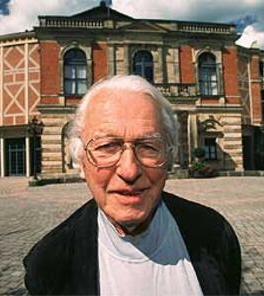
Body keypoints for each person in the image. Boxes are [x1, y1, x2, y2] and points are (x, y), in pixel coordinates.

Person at [23, 75, 241, 295]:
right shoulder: (49, 263)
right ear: (81, 160)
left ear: (169, 157)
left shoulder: (215, 234)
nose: (129, 171)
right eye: (108, 146)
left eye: (148, 146)